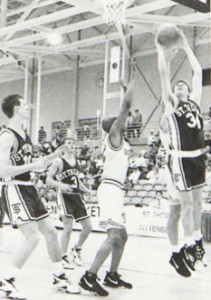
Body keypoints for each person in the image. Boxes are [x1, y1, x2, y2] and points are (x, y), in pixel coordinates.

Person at [0, 94, 80, 299]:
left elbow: (34, 162)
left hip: (29, 188)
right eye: (25, 105)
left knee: (51, 232)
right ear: (17, 109)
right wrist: (33, 166)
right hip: (14, 188)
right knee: (33, 236)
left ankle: (59, 276)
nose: (28, 108)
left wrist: (55, 155)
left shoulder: (24, 134)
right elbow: (2, 170)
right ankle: (6, 281)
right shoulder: (7, 136)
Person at [156, 25, 208, 277]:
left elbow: (197, 71)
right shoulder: (171, 104)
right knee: (186, 205)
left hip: (199, 156)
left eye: (182, 85)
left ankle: (195, 239)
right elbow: (164, 74)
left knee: (197, 202)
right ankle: (187, 245)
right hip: (181, 160)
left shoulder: (195, 103)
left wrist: (186, 44)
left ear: (188, 90)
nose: (178, 87)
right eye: (176, 86)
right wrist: (162, 52)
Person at [79, 72, 136, 296]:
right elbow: (126, 107)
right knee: (113, 236)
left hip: (116, 188)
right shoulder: (114, 137)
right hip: (110, 189)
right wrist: (128, 88)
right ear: (113, 126)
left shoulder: (120, 142)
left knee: (122, 236)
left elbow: (125, 110)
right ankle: (89, 277)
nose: (123, 120)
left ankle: (112, 275)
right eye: (119, 119)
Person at [46, 138, 92, 267]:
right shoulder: (59, 161)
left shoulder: (76, 161)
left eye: (73, 143)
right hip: (64, 196)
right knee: (68, 227)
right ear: (64, 147)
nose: (72, 145)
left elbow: (76, 180)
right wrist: (61, 185)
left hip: (77, 196)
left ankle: (76, 249)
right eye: (69, 143)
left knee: (88, 227)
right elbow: (48, 180)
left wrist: (86, 189)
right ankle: (63, 255)